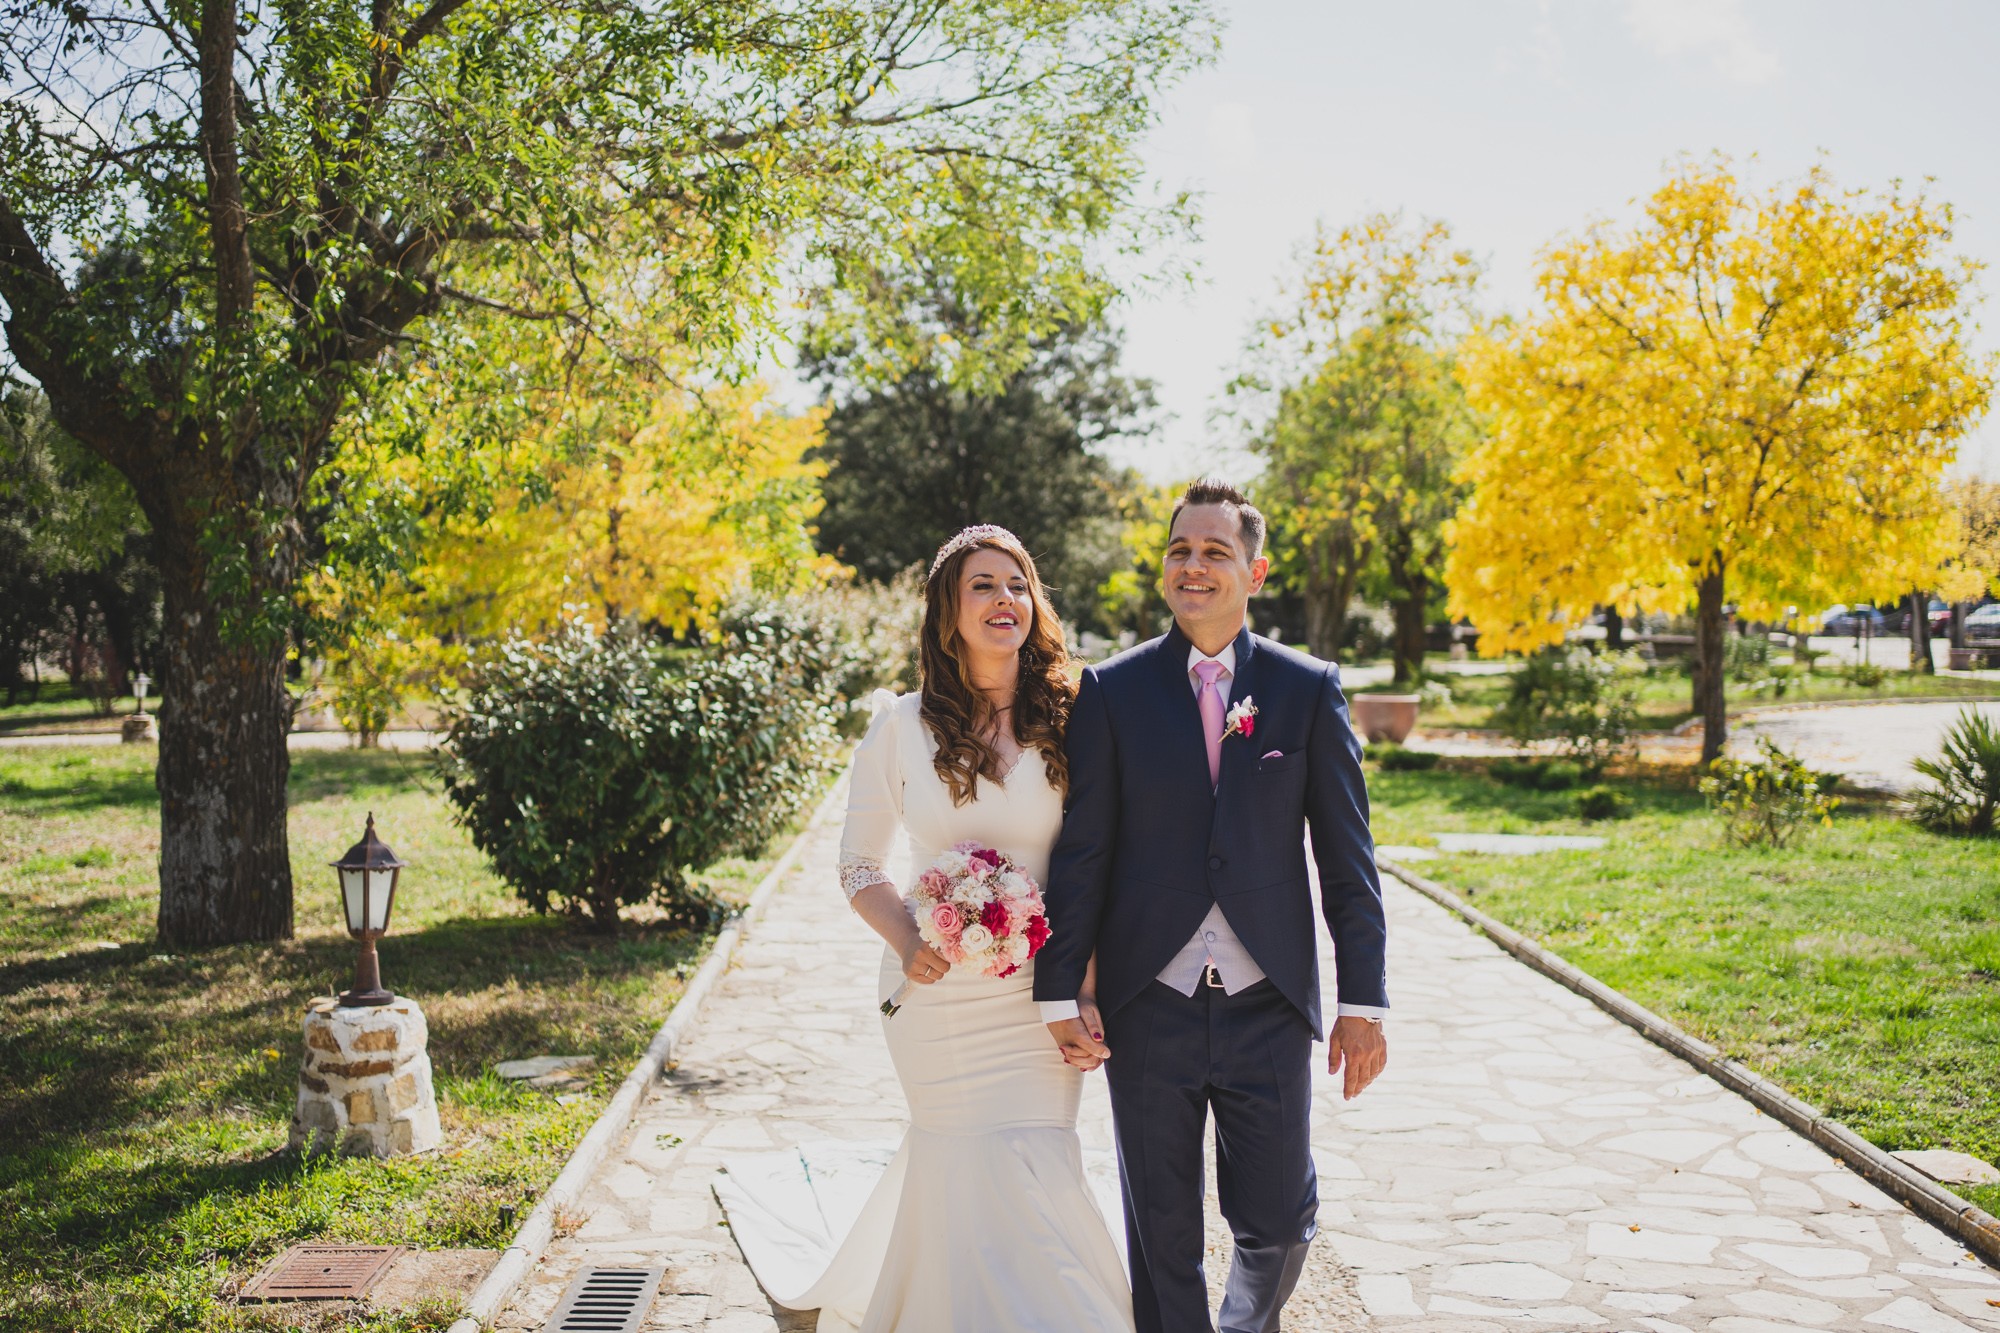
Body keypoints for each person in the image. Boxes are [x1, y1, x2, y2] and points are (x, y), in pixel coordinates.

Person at [716, 525, 1133, 1332]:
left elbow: (1100, 862)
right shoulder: (900, 725)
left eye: (1017, 583)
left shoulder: (1078, 716)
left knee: (1037, 1159)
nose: (1003, 599)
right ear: (949, 612)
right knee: (964, 1156)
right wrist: (911, 940)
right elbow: (858, 865)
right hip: (937, 998)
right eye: (982, 585)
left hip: (1042, 991)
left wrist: (1083, 983)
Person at [1035, 477, 1390, 1333]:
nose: (1194, 566)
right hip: (1145, 1001)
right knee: (1160, 1228)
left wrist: (1364, 1000)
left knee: (1276, 1218)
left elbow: (1348, 860)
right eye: (1180, 549)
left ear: (1255, 571)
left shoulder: (1307, 690)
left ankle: (1243, 1324)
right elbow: (1085, 850)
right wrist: (1060, 987)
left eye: (1215, 551)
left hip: (1267, 999)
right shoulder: (1112, 691)